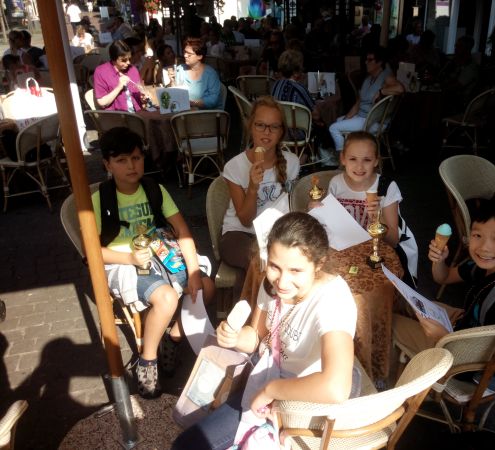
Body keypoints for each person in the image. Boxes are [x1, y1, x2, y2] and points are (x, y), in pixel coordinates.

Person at [172, 212, 357, 449]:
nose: (282, 282)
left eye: (296, 271)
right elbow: (257, 336)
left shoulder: (332, 300)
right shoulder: (271, 285)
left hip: (308, 397)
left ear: (318, 265)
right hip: (270, 375)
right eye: (274, 266)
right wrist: (235, 337)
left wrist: (271, 391)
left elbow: (336, 387)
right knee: (186, 445)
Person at [91, 127, 215, 398]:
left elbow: (182, 230)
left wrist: (194, 271)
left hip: (161, 253)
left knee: (205, 286)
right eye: (121, 160)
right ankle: (147, 360)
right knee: (167, 298)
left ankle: (172, 338)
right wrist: (129, 257)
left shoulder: (154, 189)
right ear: (107, 165)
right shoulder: (100, 200)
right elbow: (92, 252)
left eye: (136, 158)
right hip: (123, 262)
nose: (131, 166)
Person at [394, 190, 495, 356]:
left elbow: (485, 357)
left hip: (461, 355)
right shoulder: (481, 266)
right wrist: (439, 260)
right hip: (464, 324)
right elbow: (444, 277)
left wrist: (443, 336)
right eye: (477, 235)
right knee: (403, 302)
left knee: (389, 322)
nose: (484, 247)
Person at [315, 131, 418, 286]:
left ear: (376, 161)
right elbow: (331, 226)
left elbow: (393, 241)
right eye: (353, 159)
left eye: (367, 160)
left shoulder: (385, 187)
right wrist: (317, 211)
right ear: (343, 159)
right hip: (348, 249)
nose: (359, 166)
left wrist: (377, 216)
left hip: (379, 252)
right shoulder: (336, 183)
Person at [220, 96, 300, 294]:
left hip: (275, 233)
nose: (266, 132)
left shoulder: (292, 162)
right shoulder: (234, 166)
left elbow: (290, 207)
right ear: (251, 127)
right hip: (239, 233)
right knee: (260, 263)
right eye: (260, 125)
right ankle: (255, 311)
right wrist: (253, 187)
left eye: (274, 127)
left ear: (281, 132)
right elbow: (245, 220)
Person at [328, 46, 404, 155]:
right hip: (362, 117)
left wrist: (382, 91)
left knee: (333, 128)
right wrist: (347, 118)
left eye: (370, 60)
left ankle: (343, 159)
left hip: (373, 121)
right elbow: (358, 103)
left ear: (379, 62)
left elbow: (400, 88)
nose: (366, 62)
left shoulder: (386, 76)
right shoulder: (368, 79)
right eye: (366, 59)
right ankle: (354, 153)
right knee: (338, 121)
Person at [93, 40, 144, 112]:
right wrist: (119, 87)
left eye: (129, 59)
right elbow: (102, 102)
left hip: (137, 112)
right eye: (124, 60)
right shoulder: (101, 72)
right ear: (114, 59)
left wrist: (143, 97)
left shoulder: (132, 69)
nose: (128, 62)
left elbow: (138, 92)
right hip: (117, 115)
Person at [175, 37, 223, 109]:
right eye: (185, 52)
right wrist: (171, 80)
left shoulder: (210, 74)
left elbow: (213, 99)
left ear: (200, 56)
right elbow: (174, 92)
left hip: (206, 113)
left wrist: (193, 104)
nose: (185, 55)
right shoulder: (180, 69)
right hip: (183, 111)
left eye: (189, 54)